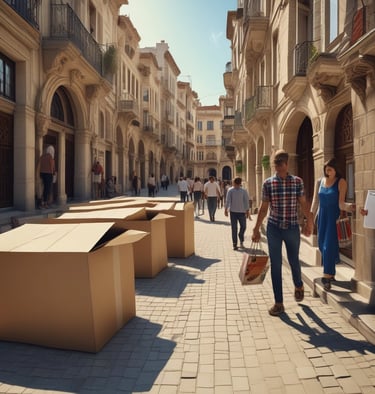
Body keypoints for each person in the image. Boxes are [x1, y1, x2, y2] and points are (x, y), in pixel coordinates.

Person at [252, 150, 313, 316]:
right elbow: (264, 208)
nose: (277, 167)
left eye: (280, 164)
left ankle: (299, 284)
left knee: (294, 261)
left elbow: (303, 204)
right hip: (274, 228)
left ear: (287, 164)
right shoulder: (268, 183)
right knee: (276, 265)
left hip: (292, 228)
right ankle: (279, 302)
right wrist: (256, 228)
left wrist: (310, 222)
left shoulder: (297, 182)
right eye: (275, 164)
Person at [310, 158, 356, 291]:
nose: (327, 171)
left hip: (333, 217)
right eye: (326, 168)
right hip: (322, 217)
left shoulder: (341, 182)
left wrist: (351, 207)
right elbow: (315, 201)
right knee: (321, 244)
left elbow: (341, 203)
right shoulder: (319, 181)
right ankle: (331, 273)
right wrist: (310, 218)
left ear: (336, 169)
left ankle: (326, 277)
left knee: (328, 246)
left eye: (330, 168)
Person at [224, 177, 250, 250]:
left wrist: (247, 211)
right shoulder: (230, 190)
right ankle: (234, 244)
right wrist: (226, 210)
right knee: (234, 228)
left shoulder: (244, 191)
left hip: (242, 212)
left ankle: (240, 236)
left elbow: (246, 201)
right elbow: (228, 200)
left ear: (236, 183)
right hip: (233, 212)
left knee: (244, 226)